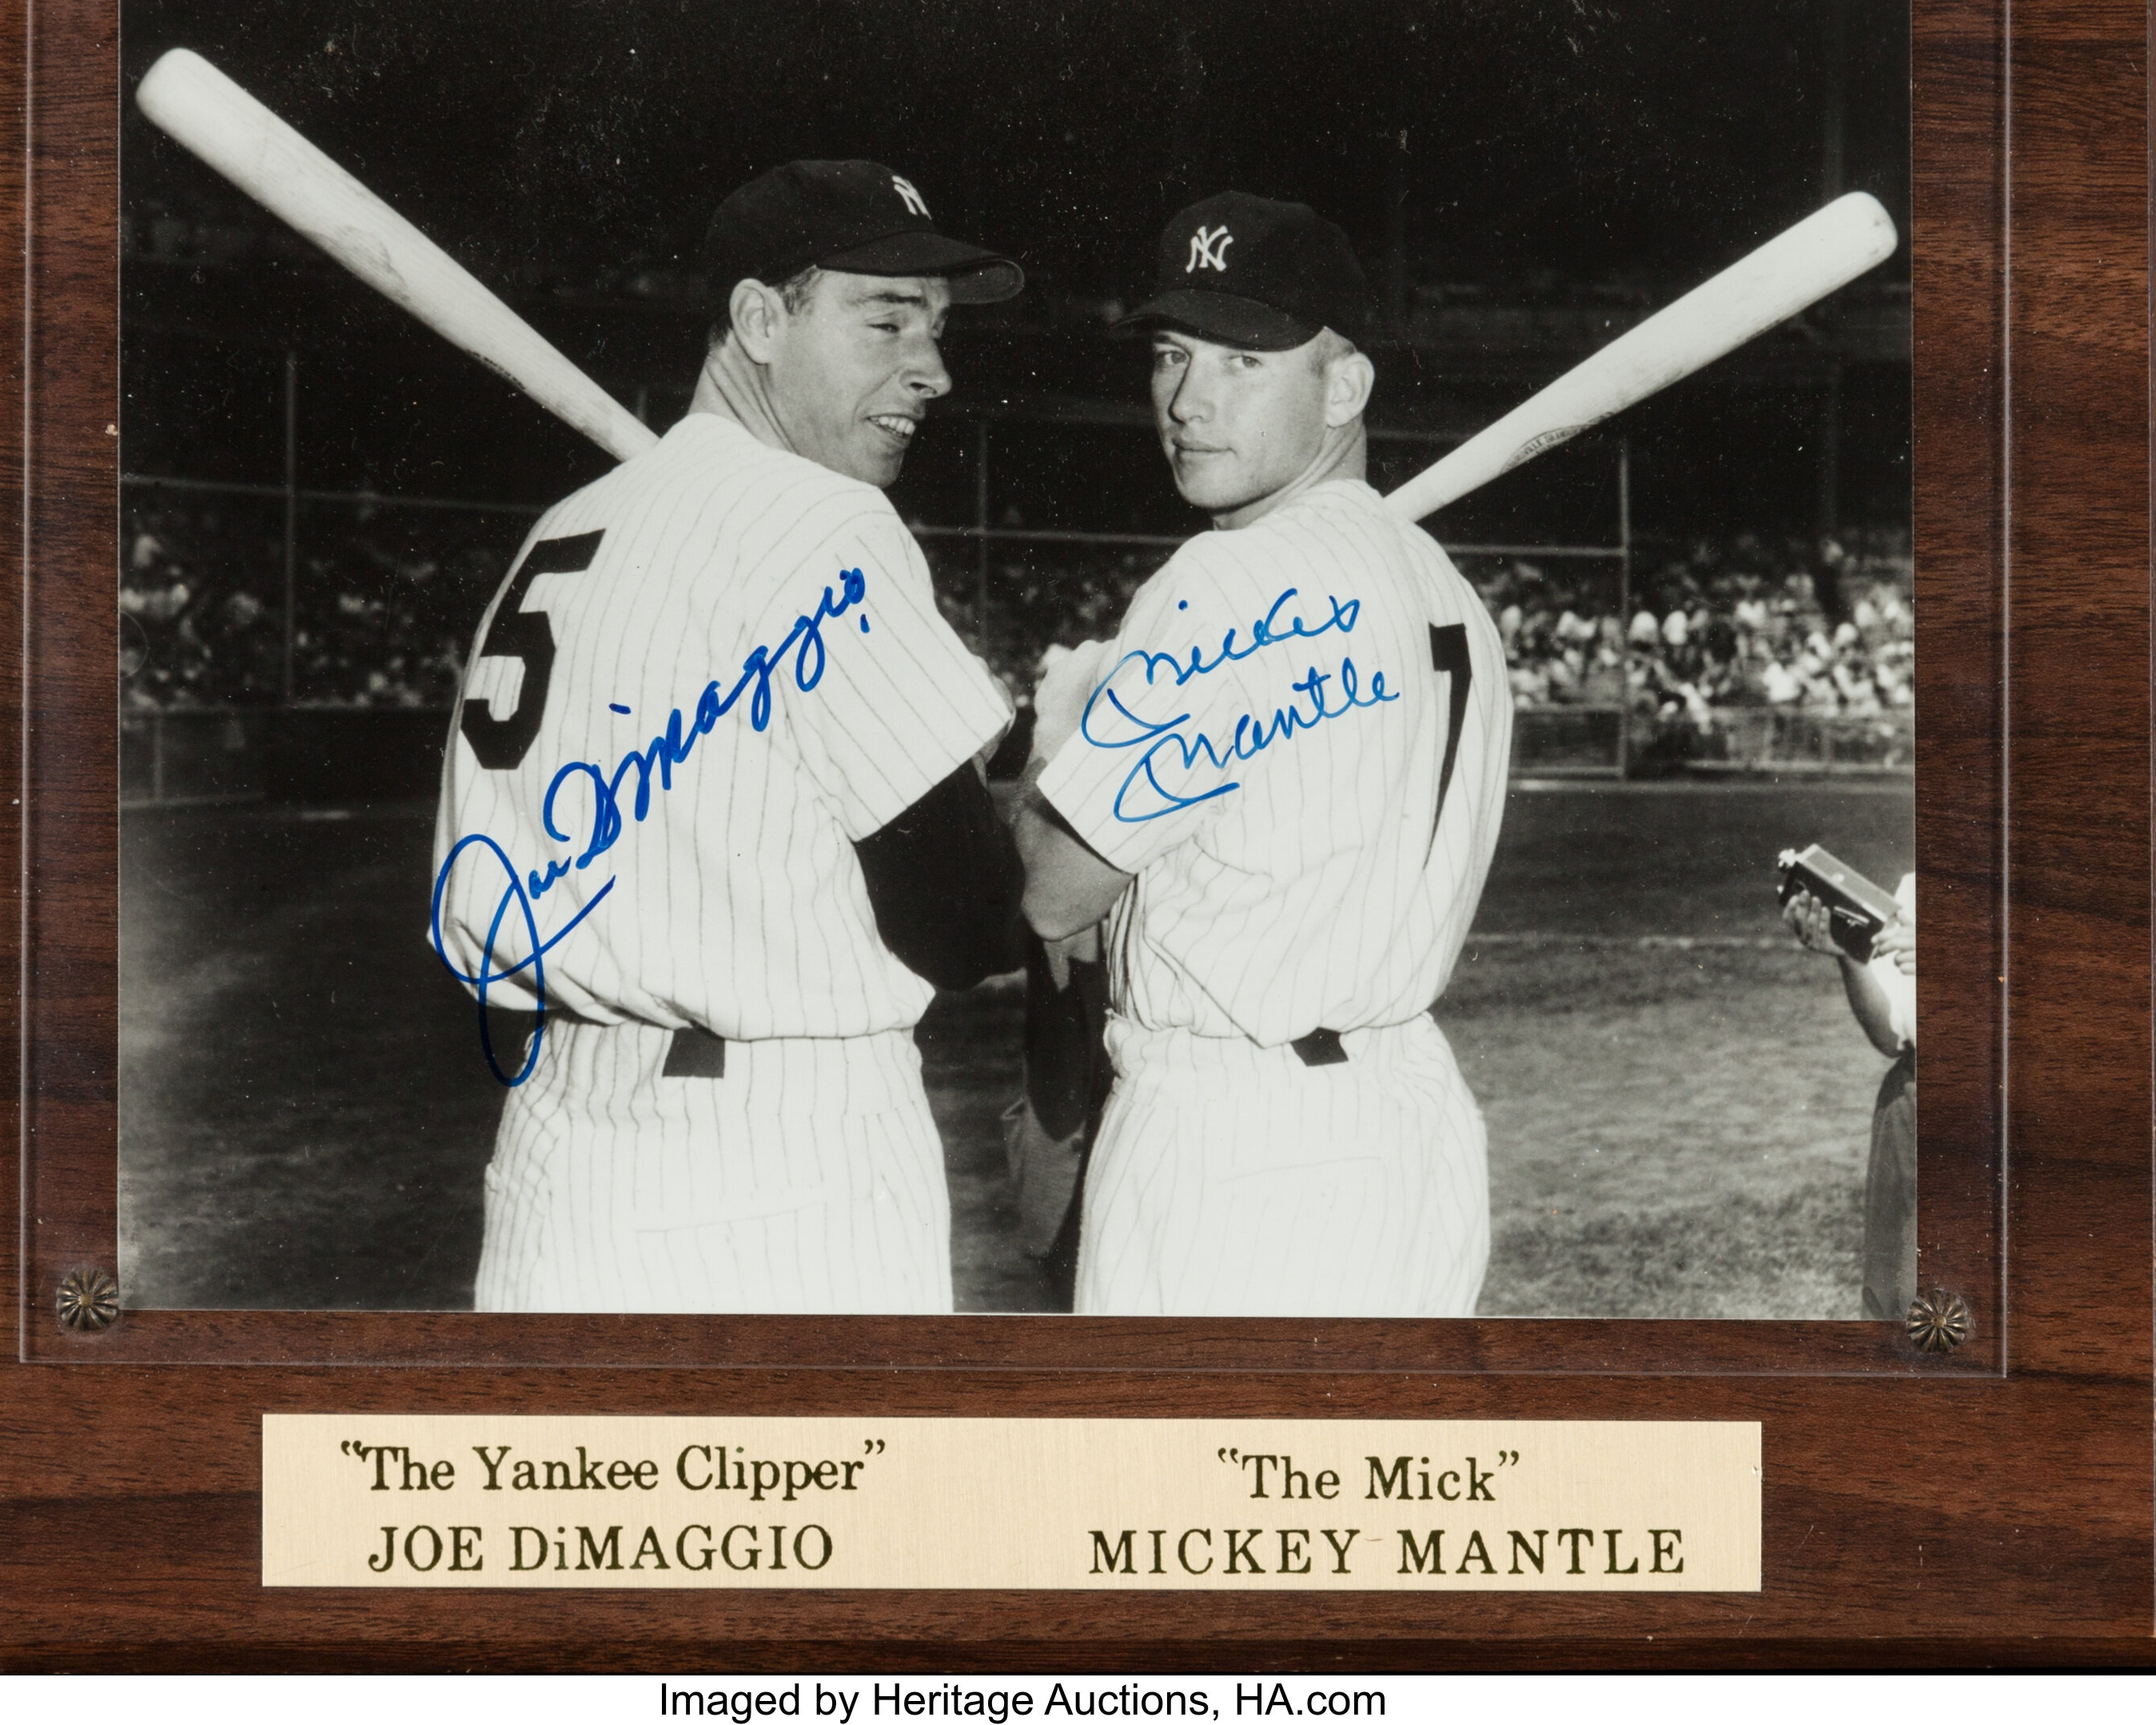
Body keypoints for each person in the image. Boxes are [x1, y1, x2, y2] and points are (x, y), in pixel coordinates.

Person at [431, 159, 1026, 1313]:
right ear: (760, 319)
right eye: (886, 320)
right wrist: (1036, 783)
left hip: (557, 1155)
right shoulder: (826, 524)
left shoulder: (566, 530)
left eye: (940, 328)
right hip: (781, 1162)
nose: (934, 369)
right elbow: (965, 924)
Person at [1010, 192, 1514, 1317]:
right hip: (1410, 1128)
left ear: (1343, 387)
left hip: (1231, 1146)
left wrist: (1059, 745)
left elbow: (1054, 897)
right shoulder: (1450, 593)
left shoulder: (1218, 582)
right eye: (1171, 355)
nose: (1187, 400)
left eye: (1243, 362)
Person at [1783, 872, 1918, 1319]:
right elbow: (1890, 1033)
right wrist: (1849, 957)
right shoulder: (1917, 888)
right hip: (1915, 1105)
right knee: (1900, 1307)